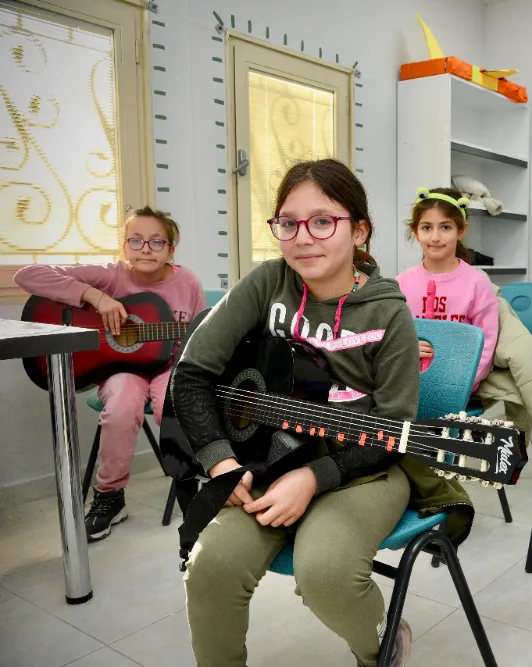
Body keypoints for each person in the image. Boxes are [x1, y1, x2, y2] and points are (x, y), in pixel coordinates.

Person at [169, 159, 472, 667]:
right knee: (210, 569)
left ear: (359, 230)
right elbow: (192, 374)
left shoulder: (387, 311)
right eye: (287, 222)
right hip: (263, 461)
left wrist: (315, 476)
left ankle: (383, 642)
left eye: (323, 221)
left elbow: (391, 429)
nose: (302, 238)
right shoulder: (268, 283)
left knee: (326, 574)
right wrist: (221, 461)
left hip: (362, 468)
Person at [14, 207, 205, 541]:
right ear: (124, 247)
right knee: (121, 404)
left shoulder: (187, 281)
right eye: (137, 240)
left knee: (172, 404)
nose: (146, 248)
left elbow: (204, 332)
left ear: (171, 250)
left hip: (169, 367)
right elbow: (27, 275)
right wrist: (96, 297)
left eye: (157, 242)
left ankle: (193, 483)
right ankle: (110, 496)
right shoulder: (112, 276)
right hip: (121, 369)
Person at [396, 187, 498, 390]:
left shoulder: (477, 283)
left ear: (461, 231)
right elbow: (389, 339)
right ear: (416, 232)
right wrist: (407, 350)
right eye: (426, 227)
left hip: (459, 386)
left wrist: (460, 382)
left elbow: (486, 345)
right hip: (407, 385)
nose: (435, 237)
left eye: (445, 227)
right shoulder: (400, 283)